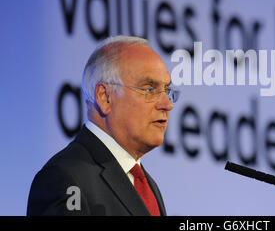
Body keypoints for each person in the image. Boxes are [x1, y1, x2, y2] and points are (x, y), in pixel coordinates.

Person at [27, 36, 179, 216]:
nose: (167, 105)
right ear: (104, 97)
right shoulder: (64, 178)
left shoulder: (147, 185)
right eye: (149, 89)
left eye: (167, 91)